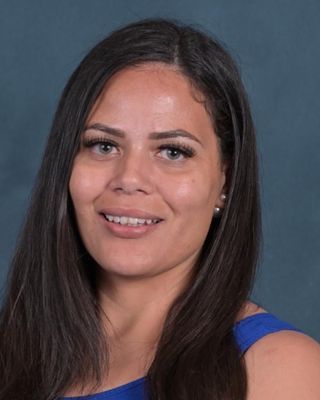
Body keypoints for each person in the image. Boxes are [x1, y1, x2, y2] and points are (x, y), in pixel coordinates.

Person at [0, 18, 319, 400]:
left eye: (173, 151)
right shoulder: (12, 354)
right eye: (103, 145)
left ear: (226, 183)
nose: (129, 178)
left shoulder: (278, 368)